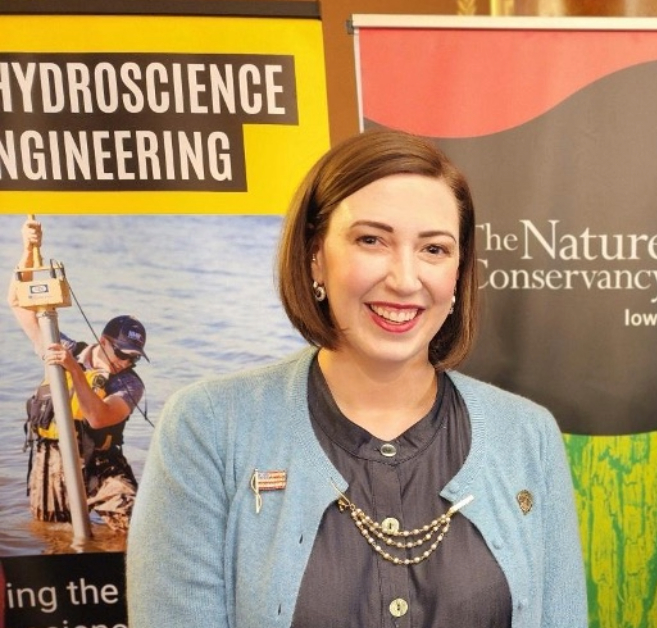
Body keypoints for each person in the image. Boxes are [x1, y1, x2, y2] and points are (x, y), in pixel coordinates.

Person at [126, 128, 588, 628]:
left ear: (458, 274)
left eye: (434, 249)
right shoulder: (209, 428)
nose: (405, 279)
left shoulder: (528, 435)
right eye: (372, 240)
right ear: (315, 256)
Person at [7, 219, 146, 533]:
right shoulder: (64, 346)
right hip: (50, 460)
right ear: (104, 342)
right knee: (53, 538)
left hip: (100, 463)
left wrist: (73, 369)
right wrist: (28, 251)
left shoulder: (130, 383)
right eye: (122, 353)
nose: (125, 362)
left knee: (136, 524)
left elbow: (98, 418)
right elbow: (18, 302)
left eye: (133, 358)